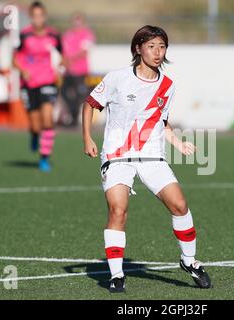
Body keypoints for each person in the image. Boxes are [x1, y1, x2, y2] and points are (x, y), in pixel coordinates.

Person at [82, 25, 212, 293]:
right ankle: (117, 276)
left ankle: (189, 261)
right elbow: (90, 104)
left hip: (152, 155)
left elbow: (160, 122)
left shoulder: (167, 86)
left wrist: (177, 142)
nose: (157, 52)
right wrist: (87, 138)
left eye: (162, 47)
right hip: (117, 156)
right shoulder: (118, 78)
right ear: (138, 48)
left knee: (179, 205)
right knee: (118, 209)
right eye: (151, 46)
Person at [13, 1, 62, 172]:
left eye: (40, 15)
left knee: (48, 120)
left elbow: (62, 57)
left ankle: (44, 158)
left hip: (48, 81)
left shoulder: (54, 36)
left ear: (45, 16)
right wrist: (23, 70)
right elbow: (15, 58)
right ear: (31, 18)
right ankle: (34, 134)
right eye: (34, 16)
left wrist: (60, 69)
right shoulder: (24, 35)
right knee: (35, 125)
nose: (38, 19)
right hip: (29, 83)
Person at [61, 12, 96, 127]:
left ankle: (74, 119)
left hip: (80, 71)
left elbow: (84, 51)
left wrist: (71, 59)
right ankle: (72, 115)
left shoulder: (87, 34)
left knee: (79, 95)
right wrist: (65, 62)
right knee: (64, 92)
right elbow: (63, 51)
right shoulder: (67, 34)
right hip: (68, 71)